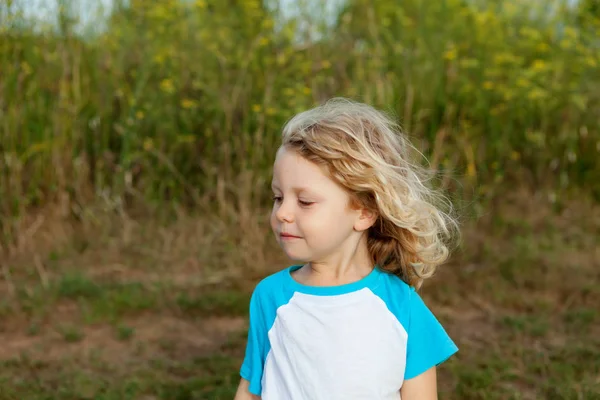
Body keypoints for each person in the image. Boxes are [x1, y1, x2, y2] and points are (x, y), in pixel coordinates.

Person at [234, 98, 460, 400]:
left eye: (304, 202)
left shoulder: (399, 305)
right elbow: (252, 390)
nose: (282, 213)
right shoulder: (271, 297)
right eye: (278, 197)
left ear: (364, 211)